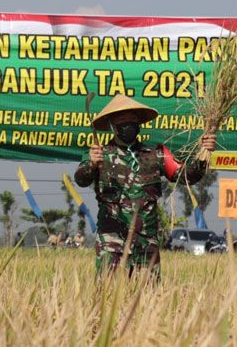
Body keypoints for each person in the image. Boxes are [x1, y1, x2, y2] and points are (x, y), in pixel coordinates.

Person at [74, 94, 216, 279]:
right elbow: (81, 179)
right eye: (122, 120)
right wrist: (92, 165)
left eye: (132, 119)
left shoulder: (156, 155)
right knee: (108, 298)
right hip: (112, 243)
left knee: (148, 300)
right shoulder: (99, 155)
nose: (128, 124)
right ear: (112, 125)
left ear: (139, 123)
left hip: (146, 243)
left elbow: (186, 176)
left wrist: (203, 154)